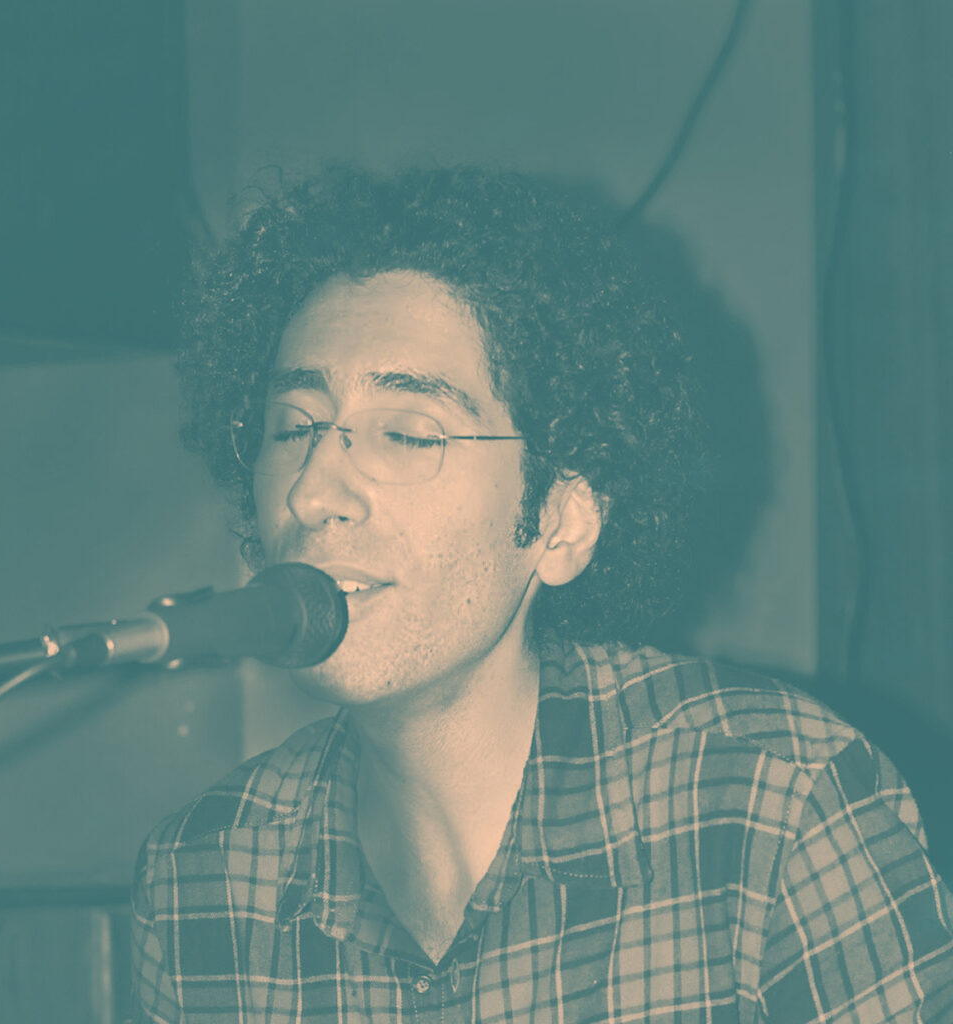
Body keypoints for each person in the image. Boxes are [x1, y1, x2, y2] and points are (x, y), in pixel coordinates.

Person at [131, 166, 953, 1022]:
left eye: (407, 434)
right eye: (293, 427)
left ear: (559, 523)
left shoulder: (775, 804)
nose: (312, 492)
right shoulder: (202, 879)